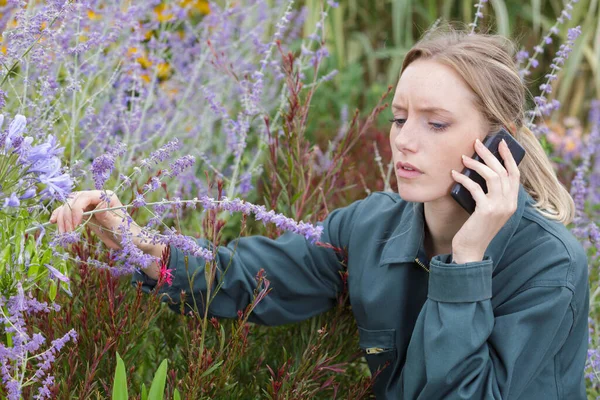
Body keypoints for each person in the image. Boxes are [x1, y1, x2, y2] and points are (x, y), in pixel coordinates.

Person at [50, 25, 589, 399]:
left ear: (502, 143)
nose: (404, 140)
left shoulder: (549, 266)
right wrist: (130, 237)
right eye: (400, 117)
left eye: (437, 123)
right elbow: (244, 280)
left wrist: (467, 262)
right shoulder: (371, 227)